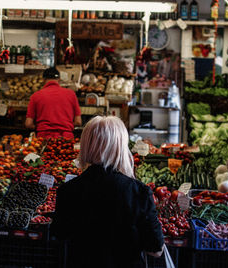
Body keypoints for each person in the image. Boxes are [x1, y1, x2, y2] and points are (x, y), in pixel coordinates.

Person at [52, 116, 164, 268]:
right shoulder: (139, 192)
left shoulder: (68, 190)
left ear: (86, 144)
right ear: (120, 146)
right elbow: (156, 250)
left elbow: (59, 234)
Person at [25, 67, 82, 138]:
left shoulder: (35, 96)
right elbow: (78, 122)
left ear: (44, 79)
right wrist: (65, 126)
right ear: (59, 79)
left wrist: (41, 127)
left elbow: (28, 124)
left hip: (44, 138)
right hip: (66, 138)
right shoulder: (71, 94)